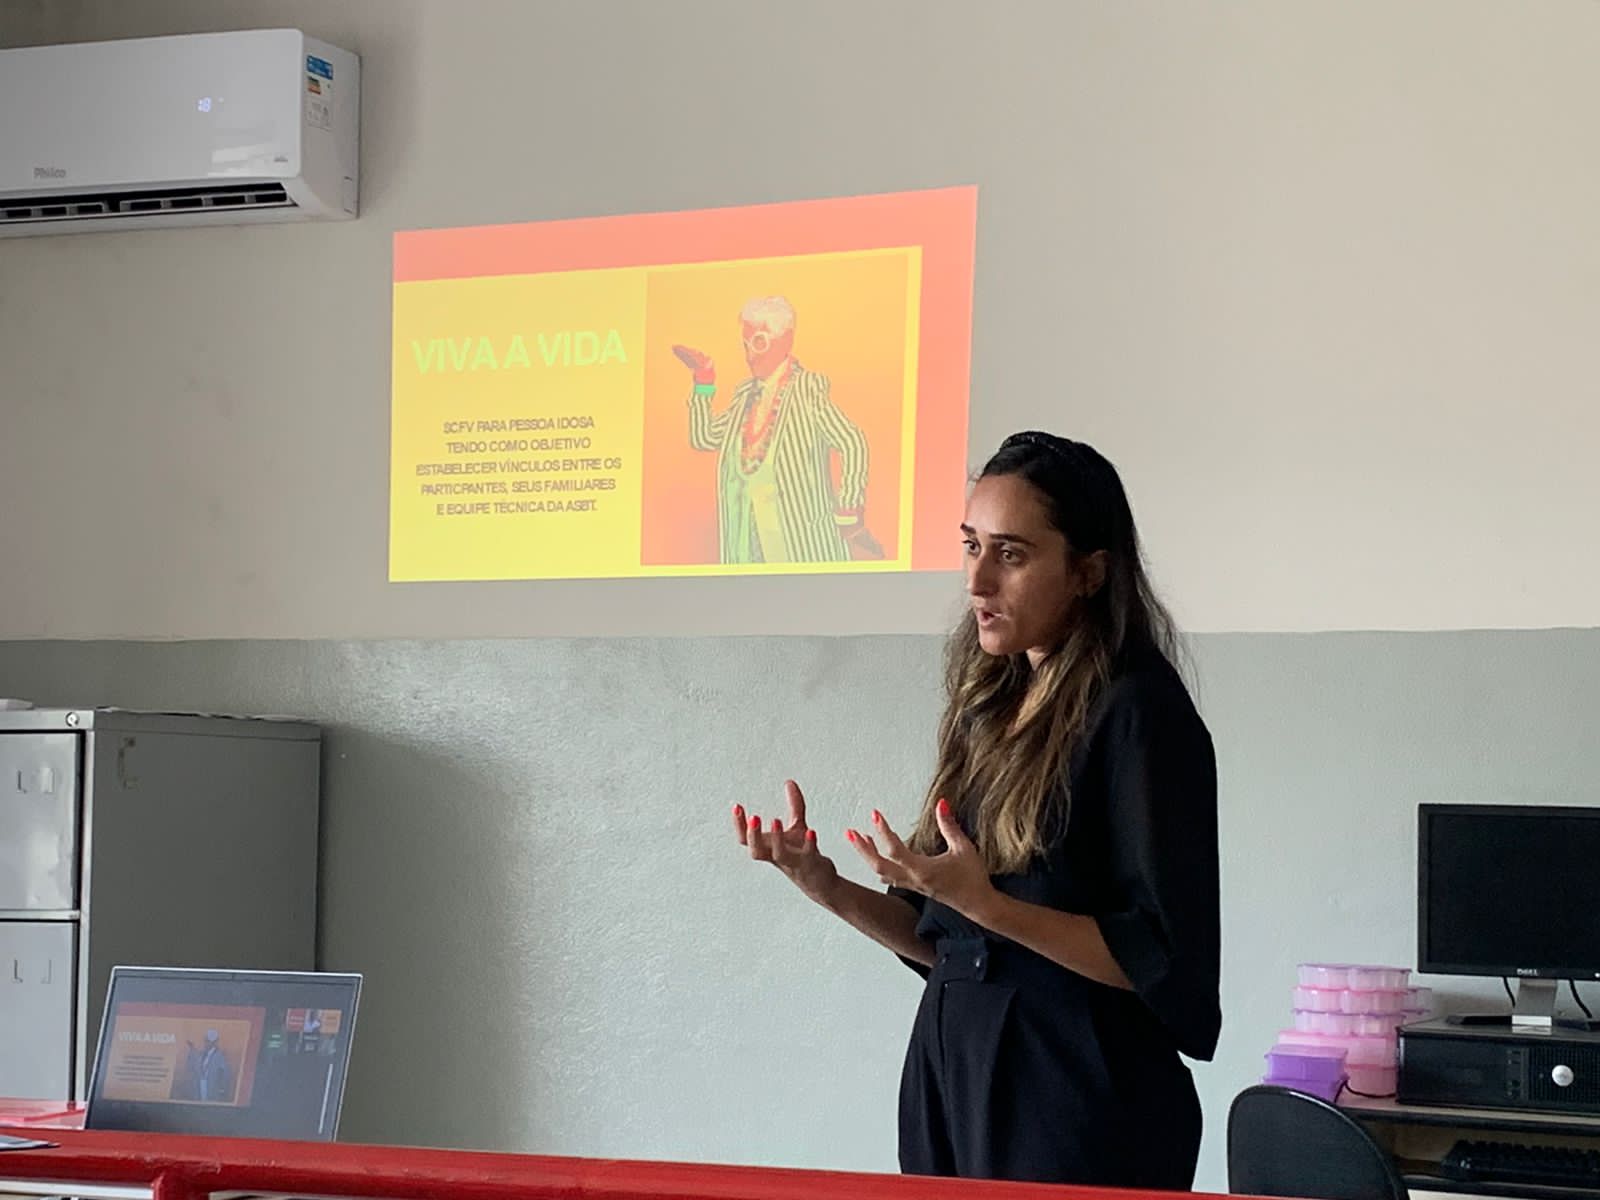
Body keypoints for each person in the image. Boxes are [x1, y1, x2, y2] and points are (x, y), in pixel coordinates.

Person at [733, 431, 1220, 1187]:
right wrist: (826, 886)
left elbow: (1161, 957)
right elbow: (953, 946)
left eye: (1011, 554)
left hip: (1074, 1091)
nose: (978, 581)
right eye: (970, 547)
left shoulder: (1139, 713)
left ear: (1089, 572)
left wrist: (988, 906)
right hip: (953, 1072)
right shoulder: (990, 705)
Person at [672, 295, 882, 564]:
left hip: (801, 546)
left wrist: (850, 508)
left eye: (759, 342)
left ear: (785, 340)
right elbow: (704, 437)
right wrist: (704, 379)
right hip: (747, 547)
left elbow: (852, 441)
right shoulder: (744, 395)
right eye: (745, 344)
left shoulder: (806, 388)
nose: (750, 355)